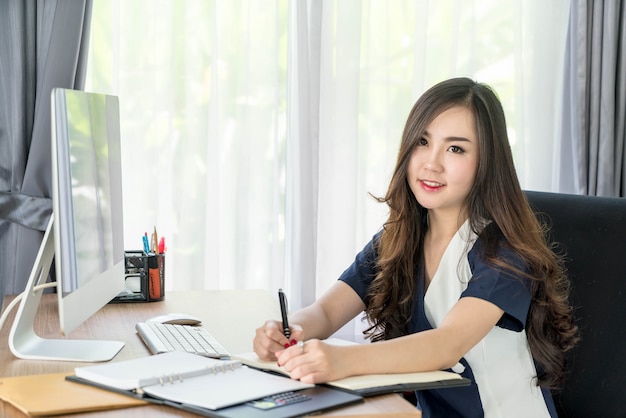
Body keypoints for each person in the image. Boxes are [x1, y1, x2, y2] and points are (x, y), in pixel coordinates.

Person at [253, 77, 579, 417]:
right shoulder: (399, 238)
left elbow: (447, 344)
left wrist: (342, 360)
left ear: (486, 162)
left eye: (456, 148)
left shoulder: (504, 252)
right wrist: (287, 331)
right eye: (422, 142)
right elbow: (325, 312)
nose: (431, 163)